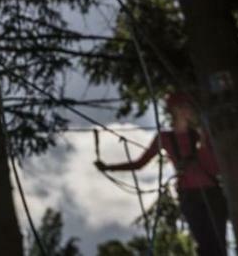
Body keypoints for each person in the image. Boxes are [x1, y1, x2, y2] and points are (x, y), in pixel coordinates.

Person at [95, 91, 229, 256]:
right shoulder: (165, 138)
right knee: (205, 245)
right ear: (175, 110)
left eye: (190, 107)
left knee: (219, 245)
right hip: (189, 195)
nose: (190, 111)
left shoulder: (201, 135)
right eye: (185, 107)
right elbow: (139, 163)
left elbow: (215, 168)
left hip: (212, 193)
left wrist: (203, 138)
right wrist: (109, 168)